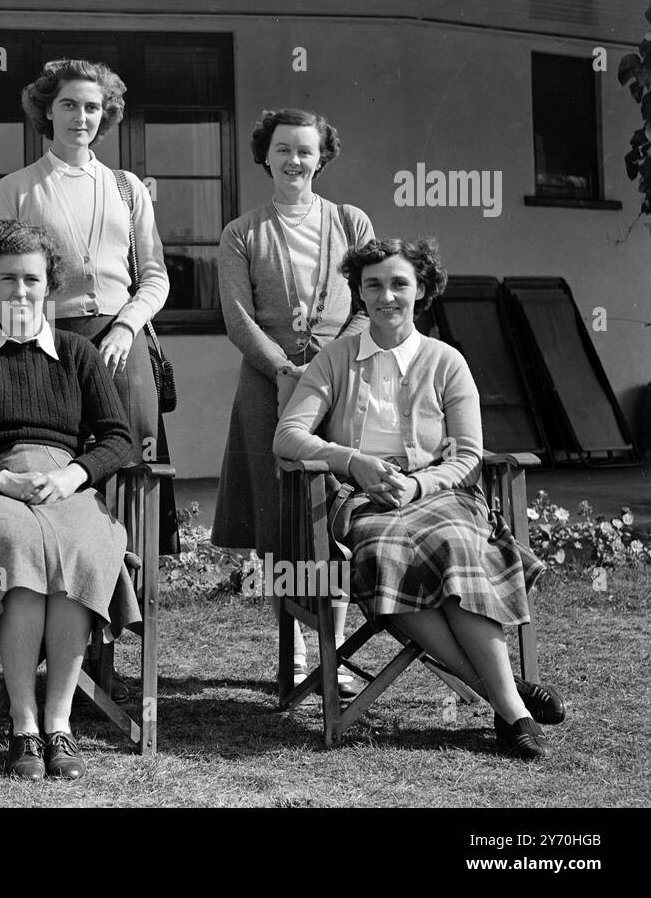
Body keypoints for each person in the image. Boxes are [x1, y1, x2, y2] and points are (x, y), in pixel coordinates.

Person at [273, 237, 566, 759]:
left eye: (399, 284)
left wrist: (418, 484)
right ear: (358, 294)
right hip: (363, 501)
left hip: (440, 494)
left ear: (423, 289)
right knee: (385, 553)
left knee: (455, 543)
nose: (386, 296)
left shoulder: (446, 361)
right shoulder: (335, 359)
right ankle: (512, 702)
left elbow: (469, 455)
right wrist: (352, 460)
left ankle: (506, 704)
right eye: (373, 285)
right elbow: (288, 435)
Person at [0, 218, 139, 781]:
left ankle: (58, 725)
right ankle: (23, 726)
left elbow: (118, 438)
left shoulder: (79, 353)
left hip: (65, 485)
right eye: (8, 279)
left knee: (81, 549)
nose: (20, 291)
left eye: (32, 280)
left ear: (50, 286)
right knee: (18, 550)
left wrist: (72, 477)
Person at [0, 58, 173, 696]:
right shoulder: (18, 186)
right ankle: (45, 639)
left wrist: (126, 325)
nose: (82, 118)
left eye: (93, 108)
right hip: (53, 344)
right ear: (48, 110)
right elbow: (7, 279)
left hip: (122, 342)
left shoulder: (127, 187)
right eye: (69, 105)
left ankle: (110, 658)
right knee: (62, 476)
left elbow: (155, 273)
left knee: (124, 476)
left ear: (107, 115)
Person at [214, 107, 374, 695]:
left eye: (305, 151)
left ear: (322, 156)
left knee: (332, 510)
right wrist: (284, 369)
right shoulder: (242, 232)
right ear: (265, 156)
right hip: (266, 387)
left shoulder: (352, 223)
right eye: (283, 150)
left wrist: (324, 369)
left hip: (340, 384)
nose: (294, 161)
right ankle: (297, 651)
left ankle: (336, 648)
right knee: (280, 518)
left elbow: (368, 302)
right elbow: (236, 317)